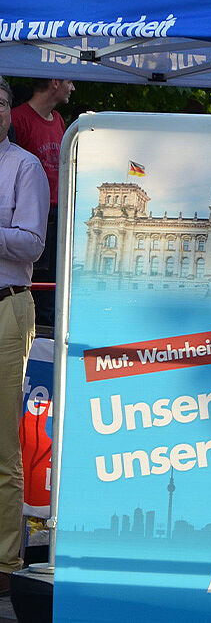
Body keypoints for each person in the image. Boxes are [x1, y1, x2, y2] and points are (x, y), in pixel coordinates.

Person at [0, 76, 48, 596]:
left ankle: (5, 562)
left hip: (5, 309)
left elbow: (31, 244)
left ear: (9, 113)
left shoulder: (24, 167)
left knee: (1, 444)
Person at [11, 78, 73, 328]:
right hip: (31, 216)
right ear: (55, 82)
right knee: (36, 283)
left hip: (58, 213)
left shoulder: (58, 119)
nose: (73, 88)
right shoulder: (18, 118)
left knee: (54, 284)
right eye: (70, 82)